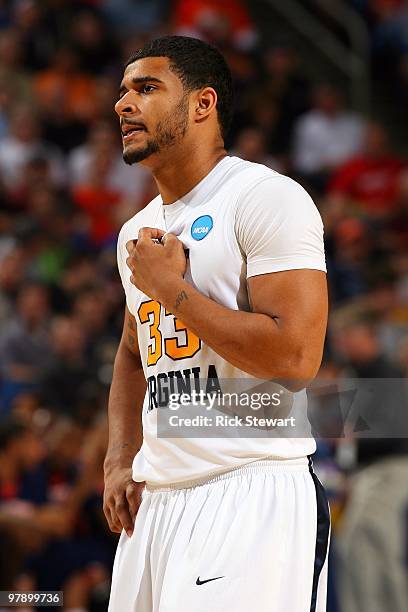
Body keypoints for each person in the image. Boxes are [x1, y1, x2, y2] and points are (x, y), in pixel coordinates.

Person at [104, 35, 329, 612]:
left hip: (251, 490)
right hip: (156, 504)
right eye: (123, 91)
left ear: (203, 104)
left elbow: (295, 357)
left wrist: (173, 291)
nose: (123, 105)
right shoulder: (137, 230)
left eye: (147, 89)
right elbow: (133, 351)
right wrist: (119, 459)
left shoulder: (266, 198)